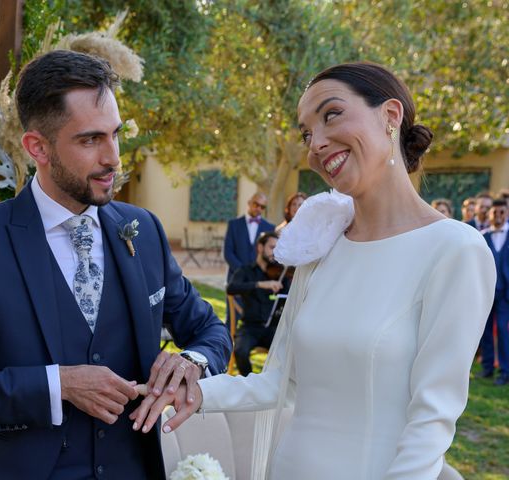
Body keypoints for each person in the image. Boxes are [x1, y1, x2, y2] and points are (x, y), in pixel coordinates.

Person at [131, 61, 495, 479]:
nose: (316, 144)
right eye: (306, 133)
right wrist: (187, 390)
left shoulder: (456, 250)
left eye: (331, 115)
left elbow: (431, 422)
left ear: (390, 117)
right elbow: (274, 383)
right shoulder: (321, 246)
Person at [0, 50, 231, 480]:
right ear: (38, 147)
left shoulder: (142, 229)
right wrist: (58, 386)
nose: (112, 157)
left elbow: (211, 331)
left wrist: (193, 361)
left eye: (115, 135)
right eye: (90, 140)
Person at [227, 231, 291, 376]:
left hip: (273, 329)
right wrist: (260, 284)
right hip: (250, 327)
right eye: (271, 248)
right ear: (260, 248)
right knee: (240, 351)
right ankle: (250, 383)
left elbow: (288, 298)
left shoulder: (281, 274)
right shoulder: (245, 271)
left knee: (288, 351)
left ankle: (272, 384)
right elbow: (231, 288)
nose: (274, 253)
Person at [479, 199, 509, 385]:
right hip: (486, 291)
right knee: (485, 331)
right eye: (494, 212)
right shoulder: (482, 236)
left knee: (504, 333)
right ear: (489, 214)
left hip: (505, 294)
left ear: (506, 214)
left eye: (501, 212)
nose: (498, 216)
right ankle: (487, 367)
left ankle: (505, 371)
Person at [223, 192, 275, 283]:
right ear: (249, 202)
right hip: (236, 277)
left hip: (259, 280)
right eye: (256, 204)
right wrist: (243, 271)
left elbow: (269, 254)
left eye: (262, 207)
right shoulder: (233, 224)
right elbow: (228, 252)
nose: (258, 208)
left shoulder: (270, 228)